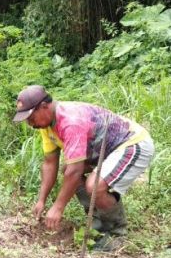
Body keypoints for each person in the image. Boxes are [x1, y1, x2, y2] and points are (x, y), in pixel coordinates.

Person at [12, 85, 154, 249]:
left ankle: (116, 233)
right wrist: (41, 200)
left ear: (44, 106)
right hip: (104, 149)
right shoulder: (47, 125)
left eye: (30, 117)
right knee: (68, 170)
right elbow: (50, 162)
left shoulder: (71, 121)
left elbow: (75, 171)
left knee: (95, 186)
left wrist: (58, 208)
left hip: (133, 144)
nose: (30, 123)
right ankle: (98, 221)